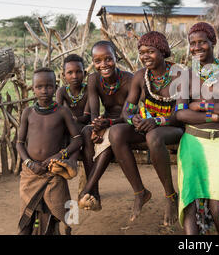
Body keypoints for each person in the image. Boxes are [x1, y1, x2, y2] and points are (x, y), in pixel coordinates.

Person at [175, 22, 219, 235]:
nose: (196, 48)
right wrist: (214, 117)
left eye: (202, 42)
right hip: (193, 143)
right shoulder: (185, 76)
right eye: (192, 44)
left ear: (212, 42)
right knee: (189, 201)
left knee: (217, 206)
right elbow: (181, 113)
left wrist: (204, 105)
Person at [109, 31, 183, 224]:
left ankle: (170, 196)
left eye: (150, 51)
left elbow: (181, 114)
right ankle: (140, 192)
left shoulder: (179, 75)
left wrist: (157, 121)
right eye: (142, 52)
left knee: (154, 137)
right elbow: (127, 109)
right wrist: (133, 120)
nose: (145, 56)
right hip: (147, 125)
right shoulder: (141, 76)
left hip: (172, 127)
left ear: (162, 51)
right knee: (116, 132)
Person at [16, 67, 82, 235]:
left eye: (48, 86)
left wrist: (59, 156)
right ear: (33, 88)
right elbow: (19, 143)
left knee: (56, 215)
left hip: (53, 172)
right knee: (26, 221)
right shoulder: (28, 113)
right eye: (39, 87)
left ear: (55, 86)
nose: (44, 90)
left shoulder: (62, 112)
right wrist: (30, 163)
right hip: (31, 174)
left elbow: (77, 139)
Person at [78, 41, 133, 211]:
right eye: (98, 61)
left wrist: (107, 124)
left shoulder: (129, 79)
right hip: (106, 122)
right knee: (87, 132)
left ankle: (87, 190)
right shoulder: (93, 79)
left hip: (125, 123)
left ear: (116, 57)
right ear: (93, 62)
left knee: (110, 138)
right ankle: (95, 193)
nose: (103, 65)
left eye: (108, 59)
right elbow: (94, 110)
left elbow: (128, 114)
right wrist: (96, 127)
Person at [54, 54, 90, 178]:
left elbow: (86, 116)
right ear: (64, 76)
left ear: (84, 74)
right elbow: (57, 113)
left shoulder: (89, 90)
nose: (74, 76)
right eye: (70, 72)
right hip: (69, 126)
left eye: (78, 72)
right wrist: (68, 121)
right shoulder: (62, 91)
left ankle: (72, 161)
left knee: (75, 129)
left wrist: (73, 120)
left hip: (84, 126)